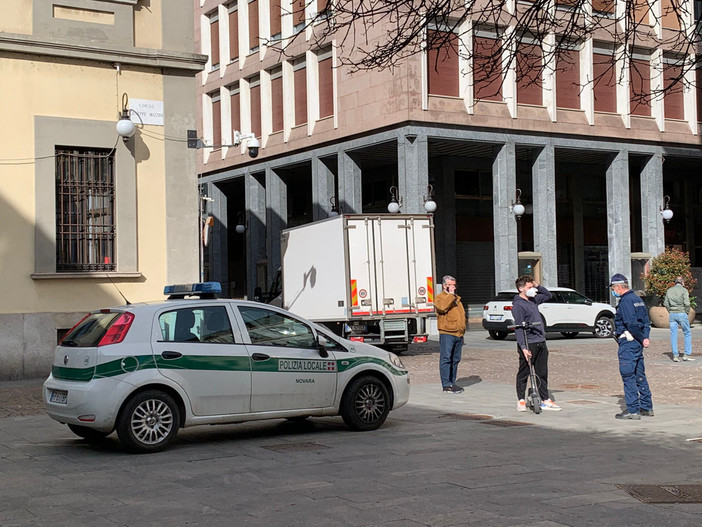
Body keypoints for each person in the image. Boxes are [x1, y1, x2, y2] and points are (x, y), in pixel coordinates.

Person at [512, 275, 561, 411]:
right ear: (521, 289)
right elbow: (519, 328)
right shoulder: (518, 305)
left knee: (542, 372)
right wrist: (523, 347)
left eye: (532, 287)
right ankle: (521, 400)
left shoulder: (533, 300)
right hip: (529, 342)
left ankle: (545, 399)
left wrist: (537, 285)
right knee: (524, 371)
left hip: (540, 341)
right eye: (529, 287)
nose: (532, 289)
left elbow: (548, 295)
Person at [609, 273, 653, 420]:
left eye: (613, 288)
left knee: (628, 375)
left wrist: (641, 338)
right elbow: (646, 321)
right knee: (640, 374)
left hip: (629, 341)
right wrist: (645, 337)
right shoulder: (638, 299)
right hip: (638, 342)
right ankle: (647, 407)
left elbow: (631, 324)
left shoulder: (626, 301)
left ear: (619, 287)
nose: (612, 290)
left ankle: (633, 410)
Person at [434, 275, 466, 394]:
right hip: (447, 333)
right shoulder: (440, 298)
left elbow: (461, 317)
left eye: (454, 285)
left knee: (455, 359)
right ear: (444, 286)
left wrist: (462, 332)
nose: (453, 287)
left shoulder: (457, 299)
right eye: (450, 285)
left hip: (458, 334)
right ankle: (446, 385)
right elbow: (442, 308)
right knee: (446, 358)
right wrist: (450, 295)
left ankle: (452, 382)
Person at [663, 276, 694, 362]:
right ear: (682, 282)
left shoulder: (669, 290)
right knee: (687, 332)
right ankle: (686, 354)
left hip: (672, 313)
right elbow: (687, 303)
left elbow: (666, 303)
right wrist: (686, 312)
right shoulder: (684, 290)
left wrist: (670, 310)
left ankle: (675, 355)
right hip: (682, 312)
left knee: (673, 334)